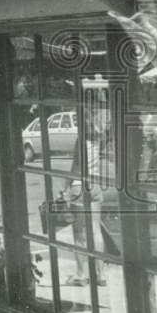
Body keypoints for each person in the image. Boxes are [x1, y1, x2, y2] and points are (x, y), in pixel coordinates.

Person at [65, 104, 112, 286]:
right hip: (95, 185)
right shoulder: (98, 138)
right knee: (96, 230)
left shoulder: (81, 140)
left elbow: (75, 166)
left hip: (79, 186)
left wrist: (65, 188)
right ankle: (101, 275)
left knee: (79, 234)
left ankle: (81, 274)